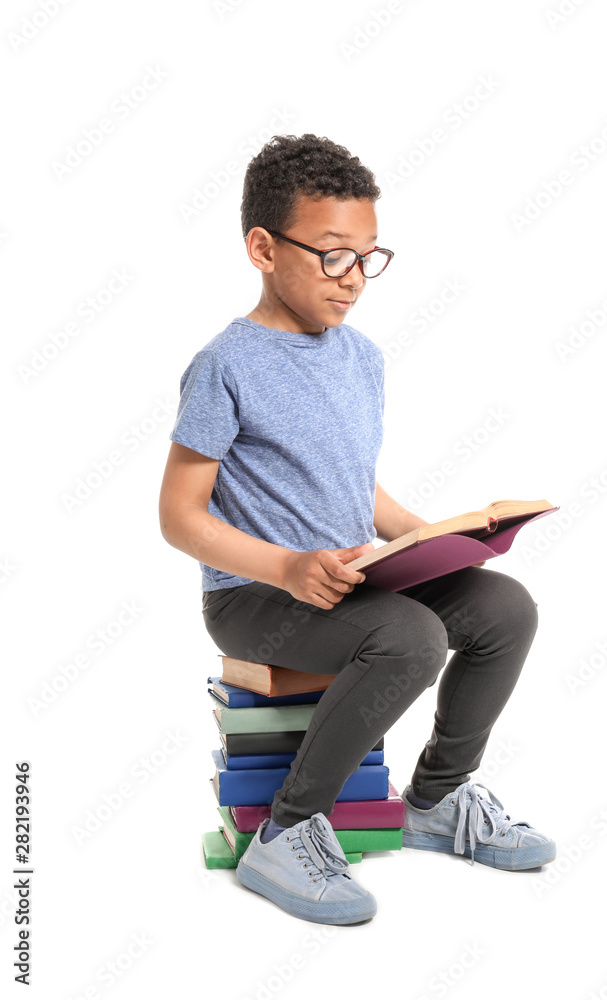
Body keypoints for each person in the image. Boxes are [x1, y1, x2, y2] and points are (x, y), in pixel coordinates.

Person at [158, 132, 555, 926]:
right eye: (334, 255)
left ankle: (438, 801)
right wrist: (286, 567)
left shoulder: (361, 357)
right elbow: (179, 516)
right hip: (255, 595)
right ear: (264, 248)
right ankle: (287, 829)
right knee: (407, 639)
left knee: (505, 606)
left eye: (369, 257)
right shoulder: (224, 365)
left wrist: (439, 535)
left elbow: (347, 479)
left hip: (354, 580)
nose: (355, 279)